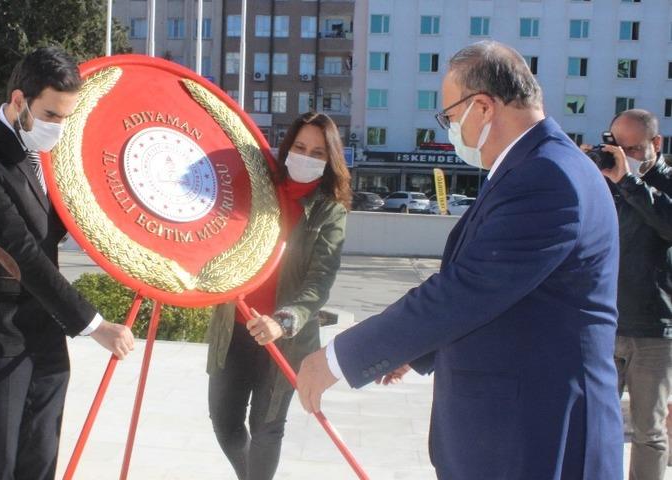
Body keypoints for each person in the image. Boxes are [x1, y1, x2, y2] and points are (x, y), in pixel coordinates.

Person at [296, 40, 623, 479]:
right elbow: (498, 293)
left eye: (450, 116)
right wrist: (414, 350)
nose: (451, 129)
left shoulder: (547, 176)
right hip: (519, 430)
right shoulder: (533, 166)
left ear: (483, 107)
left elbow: (466, 290)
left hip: (539, 437)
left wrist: (338, 358)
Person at [0, 46, 134, 479]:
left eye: (66, 117)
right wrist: (95, 325)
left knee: (40, 458)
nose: (58, 128)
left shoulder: (45, 154)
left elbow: (62, 224)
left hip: (44, 334)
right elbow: (22, 255)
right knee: (0, 462)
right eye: (51, 115)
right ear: (18, 101)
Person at [205, 112, 351, 480]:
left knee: (267, 428)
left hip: (284, 339)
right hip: (234, 326)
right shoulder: (257, 188)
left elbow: (319, 282)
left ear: (329, 160)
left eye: (318, 152)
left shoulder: (329, 211)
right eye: (299, 147)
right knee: (224, 421)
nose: (306, 156)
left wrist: (283, 321)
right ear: (286, 149)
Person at [599, 109, 672, 480]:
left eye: (634, 148)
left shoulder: (663, 182)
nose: (624, 155)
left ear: (655, 144)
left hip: (655, 330)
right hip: (607, 326)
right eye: (617, 146)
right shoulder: (609, 183)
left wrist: (628, 181)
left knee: (649, 432)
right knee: (597, 425)